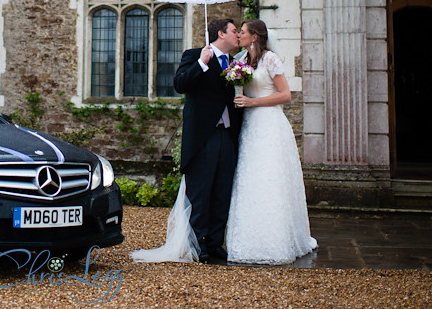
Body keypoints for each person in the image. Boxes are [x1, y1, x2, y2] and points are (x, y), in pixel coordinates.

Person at [131, 18, 242, 263]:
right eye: (235, 31)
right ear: (221, 34)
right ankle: (198, 243)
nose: (238, 35)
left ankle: (214, 243)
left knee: (222, 191)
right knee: (200, 191)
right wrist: (202, 64)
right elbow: (180, 84)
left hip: (227, 134)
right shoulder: (194, 55)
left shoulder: (234, 64)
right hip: (204, 136)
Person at [226, 19, 318, 264]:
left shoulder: (270, 59)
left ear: (254, 36)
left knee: (270, 178)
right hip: (249, 126)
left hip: (269, 124)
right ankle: (248, 239)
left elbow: (285, 95)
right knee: (250, 178)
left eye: (243, 32)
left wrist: (252, 102)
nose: (239, 35)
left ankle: (277, 240)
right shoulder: (241, 60)